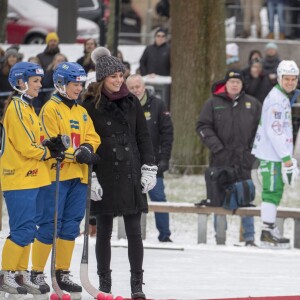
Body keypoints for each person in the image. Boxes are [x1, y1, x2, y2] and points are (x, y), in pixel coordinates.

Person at [82, 47, 157, 299]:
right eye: (113, 76)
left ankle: (137, 284)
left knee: (134, 232)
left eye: (121, 75)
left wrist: (149, 167)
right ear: (102, 78)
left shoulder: (132, 102)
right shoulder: (90, 105)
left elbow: (143, 137)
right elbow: (85, 141)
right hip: (103, 173)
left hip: (130, 171)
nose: (119, 80)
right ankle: (105, 283)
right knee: (103, 232)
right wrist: (89, 176)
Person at [29, 62, 100, 297]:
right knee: (50, 224)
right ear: (61, 84)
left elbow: (92, 136)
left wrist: (88, 148)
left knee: (71, 225)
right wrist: (75, 154)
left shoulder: (81, 111)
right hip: (56, 175)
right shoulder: (50, 109)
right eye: (74, 84)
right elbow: (51, 142)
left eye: (80, 84)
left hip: (78, 177)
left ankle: (62, 271)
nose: (78, 89)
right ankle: (36, 272)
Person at [0, 62, 66, 298]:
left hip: (34, 177)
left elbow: (37, 139)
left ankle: (20, 272)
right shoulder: (17, 108)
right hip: (18, 177)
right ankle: (6, 274)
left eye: (40, 80)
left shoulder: (29, 108)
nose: (40, 85)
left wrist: (50, 143)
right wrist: (48, 151)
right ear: (20, 82)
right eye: (36, 81)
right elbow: (27, 146)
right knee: (22, 228)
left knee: (29, 229)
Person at [196, 69, 262, 246]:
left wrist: (252, 152)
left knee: (246, 198)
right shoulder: (212, 103)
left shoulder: (253, 104)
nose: (234, 85)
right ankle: (220, 237)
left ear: (242, 85)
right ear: (225, 84)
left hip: (245, 161)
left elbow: (261, 130)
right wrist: (218, 148)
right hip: (221, 161)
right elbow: (202, 126)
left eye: (238, 82)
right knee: (220, 199)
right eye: (231, 82)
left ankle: (249, 238)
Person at [252, 60, 299, 249]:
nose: (290, 82)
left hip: (277, 154)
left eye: (293, 79)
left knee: (276, 190)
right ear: (279, 78)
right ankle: (267, 232)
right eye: (286, 79)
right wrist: (287, 159)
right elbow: (275, 131)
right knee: (271, 191)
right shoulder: (276, 99)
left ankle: (269, 230)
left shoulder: (283, 96)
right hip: (271, 155)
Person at [126, 74, 173, 242]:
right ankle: (132, 235)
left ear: (144, 87)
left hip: (153, 163)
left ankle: (165, 234)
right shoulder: (123, 105)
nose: (135, 90)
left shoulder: (158, 105)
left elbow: (167, 134)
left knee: (159, 198)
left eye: (137, 86)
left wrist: (164, 159)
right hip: (130, 162)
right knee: (130, 200)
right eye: (131, 87)